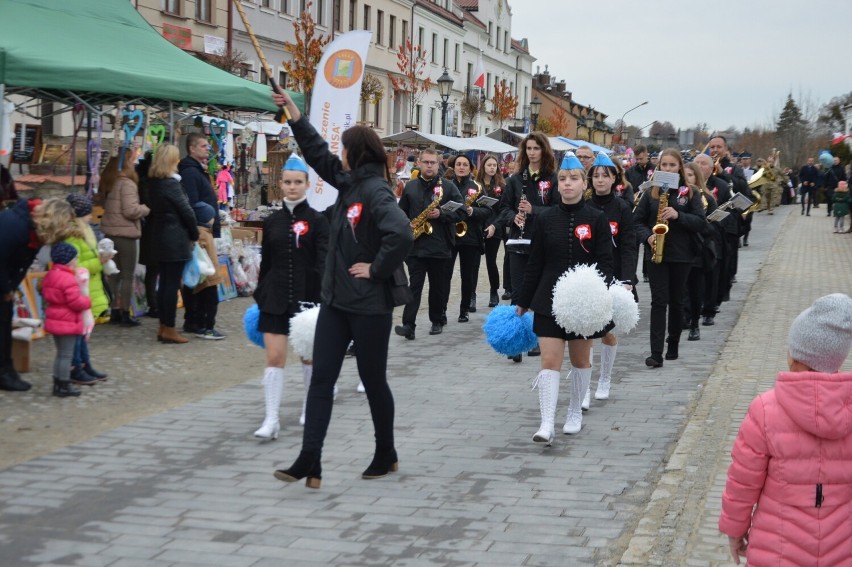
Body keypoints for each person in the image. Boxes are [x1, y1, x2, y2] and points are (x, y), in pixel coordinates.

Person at [271, 87, 413, 488]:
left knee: (373, 382)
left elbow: (400, 233)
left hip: (369, 308)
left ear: (357, 153)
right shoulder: (349, 183)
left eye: (345, 148)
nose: (340, 154)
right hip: (335, 303)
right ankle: (309, 459)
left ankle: (385, 450)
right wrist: (295, 115)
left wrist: (378, 268)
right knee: (321, 379)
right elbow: (317, 154)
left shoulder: (375, 190)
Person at [719, 293, 852, 566]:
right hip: (843, 548)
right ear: (837, 361)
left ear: (793, 356)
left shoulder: (765, 411)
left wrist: (735, 532)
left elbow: (743, 483)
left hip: (776, 552)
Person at [515, 153, 613, 443]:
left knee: (581, 360)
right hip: (548, 299)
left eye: (573, 179)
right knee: (549, 360)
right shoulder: (545, 219)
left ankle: (574, 412)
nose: (567, 184)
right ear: (557, 185)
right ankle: (546, 423)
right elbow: (535, 262)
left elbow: (606, 262)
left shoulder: (597, 218)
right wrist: (523, 299)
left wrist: (598, 292)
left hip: (584, 301)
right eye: (562, 179)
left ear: (585, 184)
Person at [253, 155, 329, 439]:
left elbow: (323, 262)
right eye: (287, 182)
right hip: (274, 296)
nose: (292, 187)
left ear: (307, 184)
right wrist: (261, 294)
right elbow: (266, 262)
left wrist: (321, 299)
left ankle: (310, 409)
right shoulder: (272, 221)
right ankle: (271, 418)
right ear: (280, 184)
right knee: (274, 358)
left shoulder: (318, 221)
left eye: (298, 182)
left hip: (307, 298)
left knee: (308, 358)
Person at [633, 148, 706, 367]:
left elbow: (701, 223)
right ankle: (656, 353)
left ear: (680, 168)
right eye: (664, 165)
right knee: (658, 302)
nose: (667, 169)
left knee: (676, 301)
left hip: (681, 255)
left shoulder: (690, 193)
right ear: (658, 168)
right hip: (656, 254)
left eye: (672, 165)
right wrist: (647, 238)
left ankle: (672, 342)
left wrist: (678, 215)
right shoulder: (651, 193)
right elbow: (637, 222)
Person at [0, 198, 76, 392]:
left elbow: (20, 263)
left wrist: (10, 286)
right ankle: (5, 372)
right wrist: (6, 288)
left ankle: (6, 371)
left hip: (6, 281)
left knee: (4, 324)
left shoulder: (33, 229)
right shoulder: (16, 226)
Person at [497, 132, 559, 361]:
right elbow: (503, 208)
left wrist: (534, 211)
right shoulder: (515, 180)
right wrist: (513, 217)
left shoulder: (552, 179)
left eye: (536, 148)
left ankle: (536, 339)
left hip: (542, 242)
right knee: (518, 291)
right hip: (518, 243)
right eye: (529, 149)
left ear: (544, 151)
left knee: (540, 292)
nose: (532, 153)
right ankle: (516, 342)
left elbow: (557, 210)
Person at [582, 153, 636, 406]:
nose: (600, 180)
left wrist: (627, 279)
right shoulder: (585, 206)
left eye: (606, 175)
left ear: (615, 178)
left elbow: (627, 246)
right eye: (596, 175)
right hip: (588, 275)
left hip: (613, 275)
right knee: (585, 333)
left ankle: (604, 377)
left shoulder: (622, 208)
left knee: (606, 331)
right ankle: (583, 385)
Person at [395, 149, 463, 338]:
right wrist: (405, 222)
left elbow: (462, 211)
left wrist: (442, 214)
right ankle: (408, 325)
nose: (430, 165)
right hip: (416, 246)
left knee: (438, 286)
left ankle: (436, 320)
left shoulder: (448, 187)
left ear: (438, 163)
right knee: (414, 286)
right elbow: (401, 211)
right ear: (419, 162)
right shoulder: (410, 186)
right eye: (426, 162)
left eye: (433, 162)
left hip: (440, 245)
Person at [147, 144, 199, 344]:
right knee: (171, 285)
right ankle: (169, 327)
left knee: (165, 284)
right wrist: (194, 233)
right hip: (174, 238)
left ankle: (164, 325)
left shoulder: (155, 182)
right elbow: (186, 211)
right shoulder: (170, 183)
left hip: (161, 236)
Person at [99, 147, 150, 327]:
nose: (134, 163)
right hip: (125, 234)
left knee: (113, 274)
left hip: (110, 233)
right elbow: (131, 211)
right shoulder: (126, 183)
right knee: (127, 275)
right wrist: (146, 208)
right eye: (132, 159)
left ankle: (114, 309)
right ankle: (125, 312)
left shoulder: (109, 181)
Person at [179, 133, 219, 335]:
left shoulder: (196, 170)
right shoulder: (190, 172)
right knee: (203, 280)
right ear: (192, 149)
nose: (208, 149)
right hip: (199, 232)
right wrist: (202, 223)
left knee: (201, 279)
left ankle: (196, 320)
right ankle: (198, 321)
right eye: (203, 146)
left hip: (204, 229)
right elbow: (191, 203)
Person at [42, 242, 92, 398]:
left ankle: (58, 383)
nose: (76, 261)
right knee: (66, 355)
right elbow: (75, 302)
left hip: (54, 318)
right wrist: (87, 301)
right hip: (67, 321)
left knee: (60, 354)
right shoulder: (68, 278)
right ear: (69, 259)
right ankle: (63, 384)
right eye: (75, 258)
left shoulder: (51, 274)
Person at [447, 154, 490, 322]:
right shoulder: (446, 186)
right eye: (458, 164)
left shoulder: (477, 187)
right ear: (454, 167)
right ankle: (442, 311)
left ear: (470, 168)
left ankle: (463, 310)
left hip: (470, 236)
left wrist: (474, 211)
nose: (461, 167)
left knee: (467, 276)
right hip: (450, 235)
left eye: (465, 164)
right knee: (445, 275)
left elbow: (488, 210)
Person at [682, 162, 720, 342]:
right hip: (680, 248)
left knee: (695, 290)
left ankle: (695, 323)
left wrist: (700, 225)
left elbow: (715, 227)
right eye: (685, 175)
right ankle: (683, 318)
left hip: (699, 249)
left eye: (690, 175)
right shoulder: (678, 196)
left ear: (697, 177)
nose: (687, 178)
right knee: (680, 290)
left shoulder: (707, 198)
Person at [64, 194, 110, 321]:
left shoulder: (86, 230)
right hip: (86, 295)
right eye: (88, 213)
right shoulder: (73, 235)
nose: (91, 216)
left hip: (94, 293)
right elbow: (74, 267)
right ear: (78, 215)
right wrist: (98, 262)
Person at [188, 202, 224, 339]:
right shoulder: (202, 233)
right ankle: (209, 328)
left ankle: (201, 326)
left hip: (206, 276)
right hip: (208, 275)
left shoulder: (203, 232)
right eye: (212, 217)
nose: (213, 219)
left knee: (203, 302)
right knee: (211, 303)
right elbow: (199, 251)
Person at [476, 154, 507, 307]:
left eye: (494, 165)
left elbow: (504, 209)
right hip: (477, 226)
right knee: (473, 263)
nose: (492, 168)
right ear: (483, 167)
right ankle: (471, 295)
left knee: (491, 261)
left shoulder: (502, 185)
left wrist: (495, 225)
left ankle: (494, 291)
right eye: (489, 165)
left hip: (495, 227)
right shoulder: (476, 185)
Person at [136, 152, 159, 318]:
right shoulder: (147, 182)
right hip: (153, 228)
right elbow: (149, 204)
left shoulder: (146, 180)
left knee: (154, 269)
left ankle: (155, 303)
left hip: (152, 227)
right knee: (154, 268)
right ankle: (154, 304)